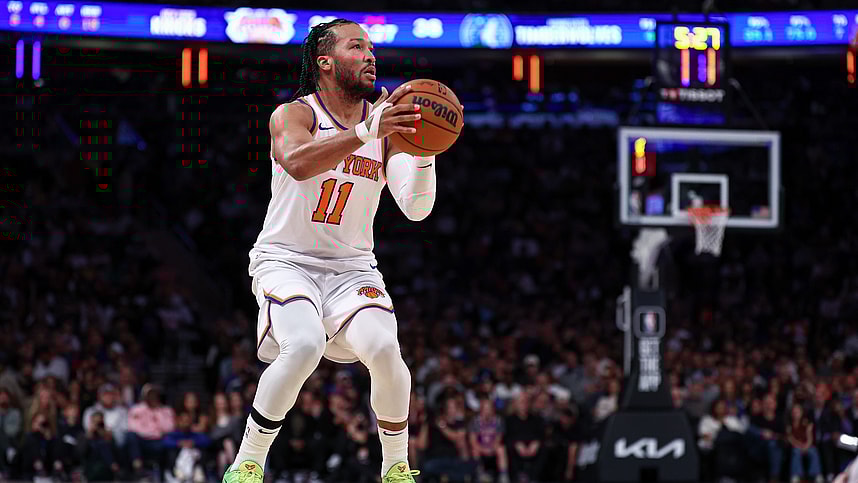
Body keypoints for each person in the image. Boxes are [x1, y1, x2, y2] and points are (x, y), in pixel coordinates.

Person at [223, 17, 460, 483]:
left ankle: (396, 467)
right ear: (325, 62)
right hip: (287, 259)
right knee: (305, 343)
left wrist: (426, 149)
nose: (370, 55)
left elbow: (414, 208)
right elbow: (296, 162)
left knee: (385, 348)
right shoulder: (296, 114)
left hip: (352, 267)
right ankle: (248, 461)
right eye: (357, 47)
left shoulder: (385, 125)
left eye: (371, 48)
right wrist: (364, 134)